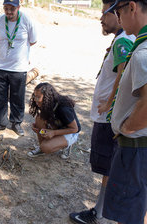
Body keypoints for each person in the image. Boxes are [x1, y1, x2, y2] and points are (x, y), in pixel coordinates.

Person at [69, 0, 135, 223]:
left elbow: (126, 75)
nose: (101, 18)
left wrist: (109, 103)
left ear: (120, 14)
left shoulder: (124, 40)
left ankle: (102, 214)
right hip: (112, 117)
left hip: (110, 120)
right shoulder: (123, 39)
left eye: (106, 13)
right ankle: (101, 211)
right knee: (111, 168)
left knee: (111, 168)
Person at [97, 0, 147, 223]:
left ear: (132, 8)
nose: (118, 18)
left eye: (118, 11)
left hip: (135, 148)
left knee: (128, 216)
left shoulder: (142, 53)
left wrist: (126, 127)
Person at [0, 0, 37, 136]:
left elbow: (33, 41)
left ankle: (16, 123)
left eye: (12, 9)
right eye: (6, 8)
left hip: (18, 67)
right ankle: (0, 122)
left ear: (18, 8)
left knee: (17, 96)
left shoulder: (27, 21)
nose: (9, 12)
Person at [27, 83, 81, 159]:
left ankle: (66, 145)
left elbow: (75, 129)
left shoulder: (64, 109)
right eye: (35, 96)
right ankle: (42, 148)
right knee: (39, 119)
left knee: (46, 147)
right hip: (58, 127)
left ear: (46, 97)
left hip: (71, 132)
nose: (36, 100)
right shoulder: (46, 103)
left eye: (38, 97)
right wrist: (36, 126)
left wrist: (53, 132)